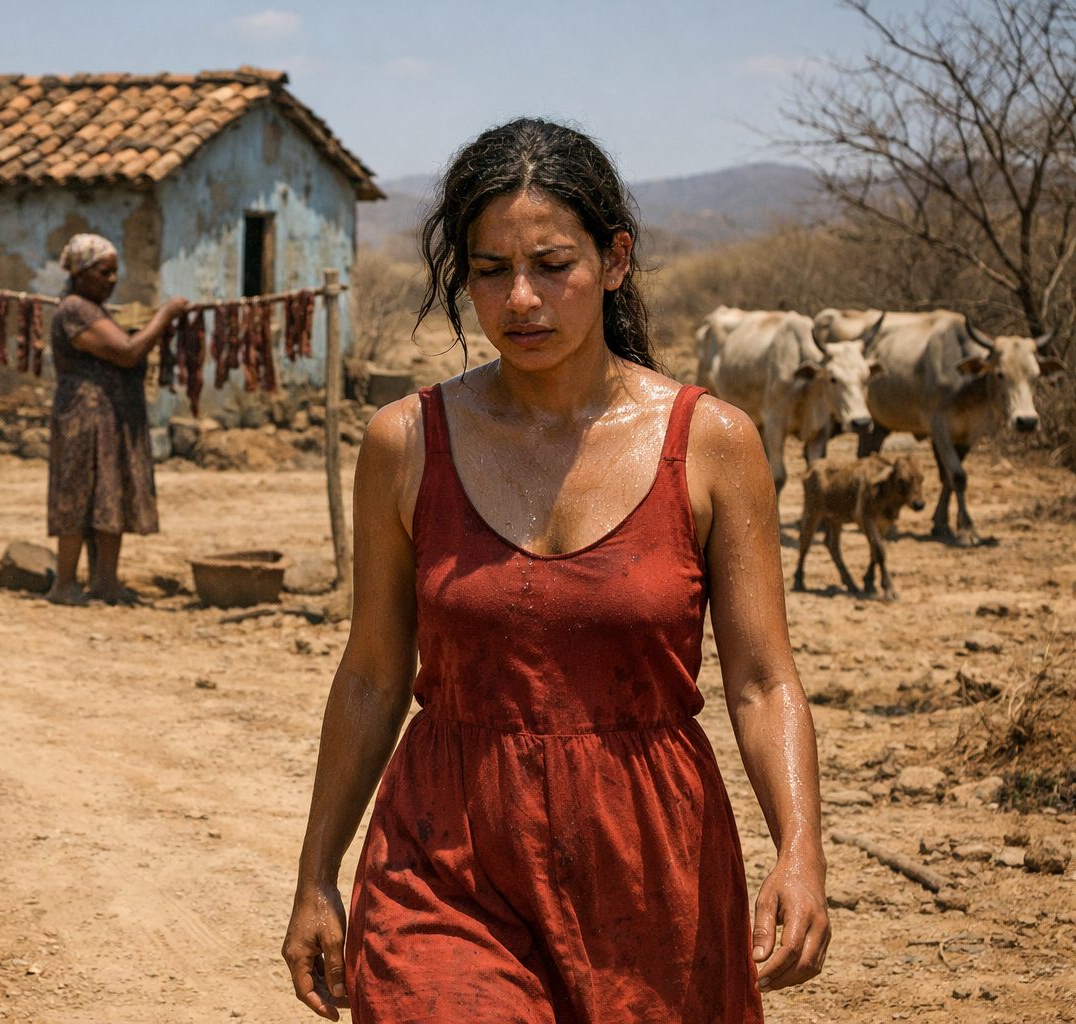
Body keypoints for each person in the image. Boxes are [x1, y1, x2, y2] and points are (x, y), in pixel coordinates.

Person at [281, 119, 829, 1022]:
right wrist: (316, 877)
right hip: (446, 853)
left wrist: (800, 850)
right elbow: (374, 676)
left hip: (652, 860)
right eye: (489, 270)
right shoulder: (406, 442)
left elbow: (764, 682)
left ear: (615, 262)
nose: (521, 299)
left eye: (552, 263)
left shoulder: (713, 444)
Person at [45, 233, 187, 605]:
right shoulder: (76, 309)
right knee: (76, 496)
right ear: (81, 273)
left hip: (108, 419)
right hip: (84, 419)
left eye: (114, 273)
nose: (112, 280)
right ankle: (63, 585)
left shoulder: (95, 308)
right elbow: (126, 352)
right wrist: (165, 314)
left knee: (109, 494)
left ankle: (106, 583)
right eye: (104, 273)